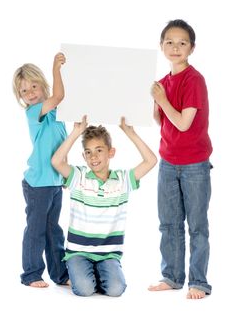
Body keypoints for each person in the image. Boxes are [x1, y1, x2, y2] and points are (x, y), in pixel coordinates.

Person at [51, 115, 157, 296]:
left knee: (116, 290)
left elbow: (151, 161)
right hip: (79, 252)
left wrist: (130, 133)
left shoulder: (123, 180)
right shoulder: (79, 177)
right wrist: (76, 132)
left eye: (99, 150)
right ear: (84, 156)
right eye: (88, 152)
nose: (93, 156)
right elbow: (56, 161)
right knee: (84, 290)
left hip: (108, 254)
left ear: (111, 152)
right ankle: (82, 274)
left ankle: (98, 273)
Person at [148, 19, 213, 299]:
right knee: (169, 223)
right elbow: (159, 120)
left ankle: (198, 282)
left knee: (196, 225)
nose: (175, 47)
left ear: (192, 48)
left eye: (182, 42)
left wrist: (162, 100)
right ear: (161, 46)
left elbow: (184, 123)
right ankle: (172, 277)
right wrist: (156, 100)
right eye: (170, 42)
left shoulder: (194, 80)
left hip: (194, 164)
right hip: (168, 162)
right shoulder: (163, 82)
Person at [12, 53, 69, 288]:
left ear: (41, 84)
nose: (31, 93)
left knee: (53, 230)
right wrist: (57, 68)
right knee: (35, 230)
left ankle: (60, 274)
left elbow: (60, 144)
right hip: (38, 183)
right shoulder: (34, 112)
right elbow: (58, 95)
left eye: (34, 86)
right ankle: (31, 274)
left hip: (53, 181)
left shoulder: (57, 114)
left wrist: (64, 173)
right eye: (24, 91)